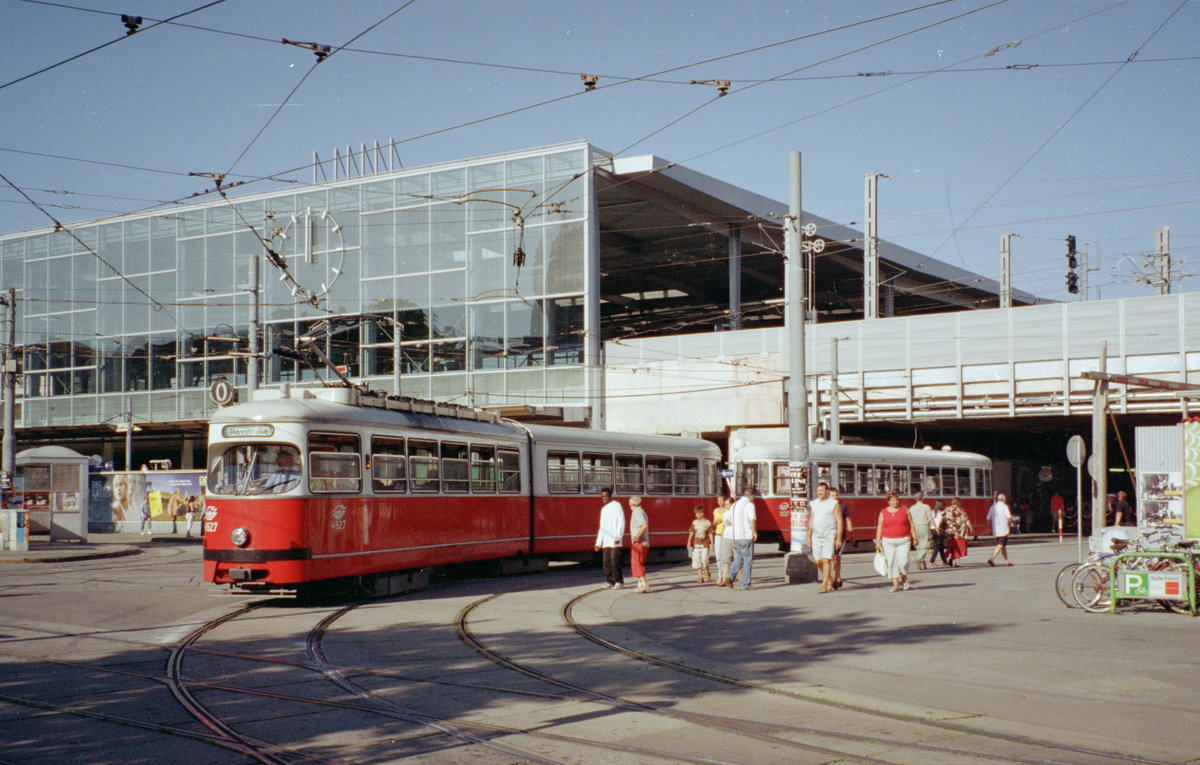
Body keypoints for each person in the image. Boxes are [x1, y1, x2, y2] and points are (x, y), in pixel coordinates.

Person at [874, 491, 916, 591]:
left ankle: (904, 578)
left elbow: (911, 524)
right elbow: (880, 528)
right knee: (891, 562)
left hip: (904, 540)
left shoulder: (904, 510)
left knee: (903, 561)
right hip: (888, 541)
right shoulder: (883, 512)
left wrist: (914, 537)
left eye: (897, 499)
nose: (895, 502)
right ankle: (895, 584)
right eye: (893, 500)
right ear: (888, 501)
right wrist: (878, 542)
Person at [806, 481, 843, 593]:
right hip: (816, 536)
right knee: (818, 561)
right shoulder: (814, 503)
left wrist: (839, 539)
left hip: (829, 536)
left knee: (827, 559)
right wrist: (808, 536)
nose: (820, 493)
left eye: (822, 491)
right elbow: (811, 520)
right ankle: (830, 579)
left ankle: (824, 584)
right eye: (818, 491)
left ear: (827, 491)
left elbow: (840, 522)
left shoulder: (833, 503)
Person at [725, 487, 758, 590]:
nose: (754, 499)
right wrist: (755, 532)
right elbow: (752, 519)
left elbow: (728, 521)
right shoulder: (750, 505)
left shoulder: (734, 505)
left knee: (740, 557)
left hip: (736, 536)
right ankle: (745, 584)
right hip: (746, 535)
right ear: (751, 496)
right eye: (754, 497)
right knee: (747, 559)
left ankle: (730, 576)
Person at [594, 488, 626, 589]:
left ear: (610, 496)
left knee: (615, 561)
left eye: (605, 496)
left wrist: (618, 536)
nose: (604, 498)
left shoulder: (617, 506)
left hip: (615, 540)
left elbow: (621, 522)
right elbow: (602, 527)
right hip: (606, 541)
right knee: (606, 562)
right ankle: (610, 581)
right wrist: (598, 543)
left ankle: (619, 581)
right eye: (602, 496)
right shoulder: (603, 510)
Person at [829, 487, 852, 589]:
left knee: (836, 558)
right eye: (833, 495)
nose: (835, 497)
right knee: (828, 559)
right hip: (828, 535)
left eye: (836, 495)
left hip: (840, 536)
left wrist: (851, 533)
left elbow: (848, 520)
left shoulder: (842, 506)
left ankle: (837, 577)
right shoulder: (826, 506)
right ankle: (831, 578)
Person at [686, 505, 713, 583]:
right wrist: (689, 541)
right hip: (696, 545)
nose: (696, 515)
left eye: (697, 513)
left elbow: (710, 533)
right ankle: (700, 577)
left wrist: (712, 544)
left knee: (705, 559)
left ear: (702, 513)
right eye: (696, 514)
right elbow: (692, 532)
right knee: (697, 560)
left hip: (705, 545)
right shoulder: (694, 522)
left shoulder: (707, 523)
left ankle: (707, 572)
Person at [628, 496, 651, 593]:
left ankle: (644, 584)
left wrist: (637, 537)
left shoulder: (637, 512)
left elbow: (644, 525)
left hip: (639, 542)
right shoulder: (640, 511)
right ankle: (640, 584)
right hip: (642, 542)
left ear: (631, 504)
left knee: (637, 562)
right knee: (636, 561)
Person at [986, 493, 1014, 567]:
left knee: (1003, 545)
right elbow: (1009, 517)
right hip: (1004, 528)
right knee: (1000, 545)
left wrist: (990, 526)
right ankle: (992, 558)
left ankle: (1006, 561)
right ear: (1004, 500)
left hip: (996, 529)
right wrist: (1012, 523)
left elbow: (988, 518)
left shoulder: (993, 507)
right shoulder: (1005, 507)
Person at [943, 497, 972, 566]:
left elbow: (943, 518)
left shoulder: (947, 509)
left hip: (950, 530)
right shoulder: (960, 510)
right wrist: (970, 527)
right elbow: (965, 519)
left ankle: (952, 558)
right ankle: (957, 562)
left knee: (952, 545)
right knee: (958, 545)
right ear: (958, 503)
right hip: (958, 530)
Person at [908, 492, 933, 570]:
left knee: (919, 545)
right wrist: (935, 528)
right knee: (926, 544)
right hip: (924, 526)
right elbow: (930, 519)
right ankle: (919, 558)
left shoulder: (911, 508)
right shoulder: (926, 507)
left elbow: (909, 519)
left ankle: (922, 563)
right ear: (923, 498)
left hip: (914, 527)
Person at [714, 494, 734, 587]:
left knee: (727, 558)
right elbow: (714, 523)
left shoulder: (730, 511)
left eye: (722, 500)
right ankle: (721, 576)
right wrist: (716, 522)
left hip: (729, 536)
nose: (720, 502)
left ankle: (727, 577)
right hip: (719, 535)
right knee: (719, 557)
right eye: (719, 501)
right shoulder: (716, 511)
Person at [929, 499, 947, 566]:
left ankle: (944, 561)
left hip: (932, 529)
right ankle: (932, 561)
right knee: (937, 546)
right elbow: (942, 521)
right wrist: (939, 528)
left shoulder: (931, 512)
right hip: (939, 530)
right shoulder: (942, 513)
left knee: (940, 546)